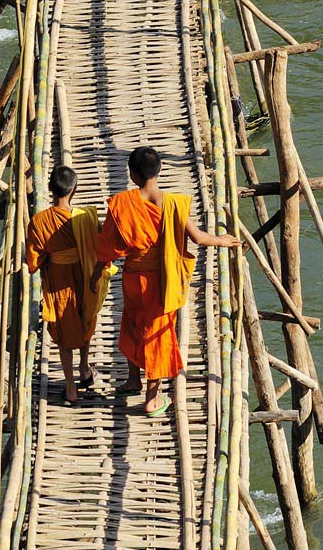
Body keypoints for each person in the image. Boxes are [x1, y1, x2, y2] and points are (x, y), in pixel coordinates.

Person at [91, 146, 241, 416]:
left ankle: (133, 378)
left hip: (133, 278)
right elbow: (198, 238)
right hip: (162, 281)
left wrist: (97, 273)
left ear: (133, 175)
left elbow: (107, 247)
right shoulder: (172, 204)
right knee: (158, 335)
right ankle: (152, 399)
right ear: (159, 170)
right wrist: (223, 240)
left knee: (133, 323)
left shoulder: (122, 203)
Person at [25, 166, 114, 406]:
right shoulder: (85, 218)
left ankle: (71, 388)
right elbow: (102, 243)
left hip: (59, 280)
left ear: (50, 188)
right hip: (85, 275)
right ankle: (85, 369)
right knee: (85, 319)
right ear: (74, 190)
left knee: (65, 332)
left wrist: (51, 257)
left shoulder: (39, 221)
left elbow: (33, 261)